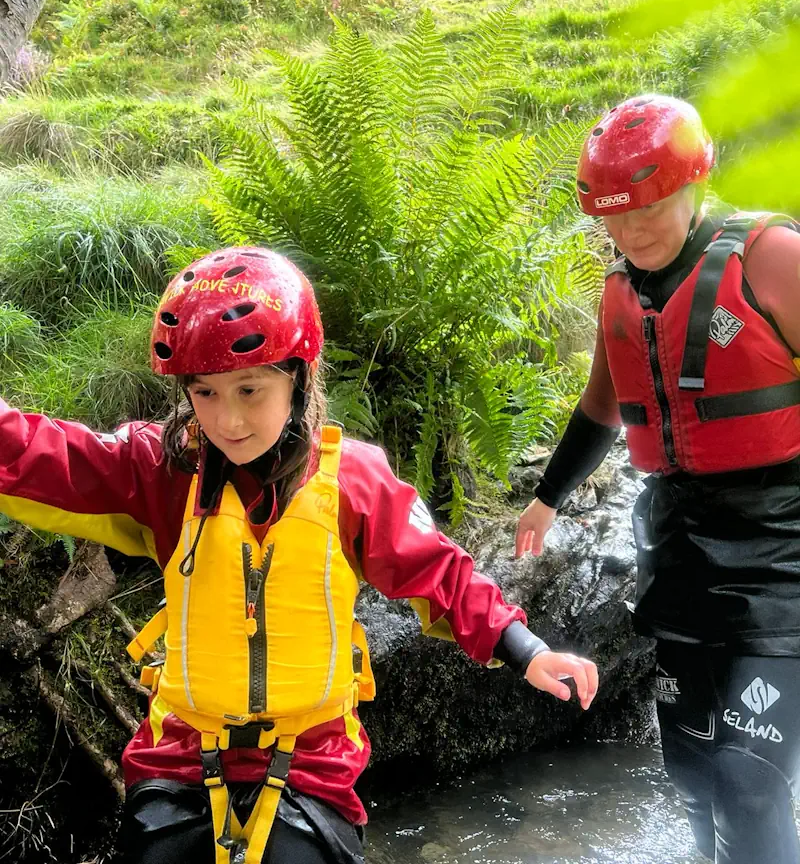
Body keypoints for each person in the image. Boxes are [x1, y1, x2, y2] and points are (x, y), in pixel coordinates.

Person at [0, 247, 598, 864]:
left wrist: (525, 649)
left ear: (299, 378)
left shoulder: (354, 483)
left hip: (312, 758)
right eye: (205, 392)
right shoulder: (162, 469)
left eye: (250, 389)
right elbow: (47, 454)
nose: (227, 420)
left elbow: (438, 570)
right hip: (179, 751)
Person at [516, 94, 800, 864]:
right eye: (615, 216)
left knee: (750, 779)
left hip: (783, 549)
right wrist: (546, 499)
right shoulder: (618, 293)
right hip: (678, 547)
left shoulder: (772, 258)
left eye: (650, 208)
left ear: (693, 187)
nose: (632, 230)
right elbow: (602, 409)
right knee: (696, 769)